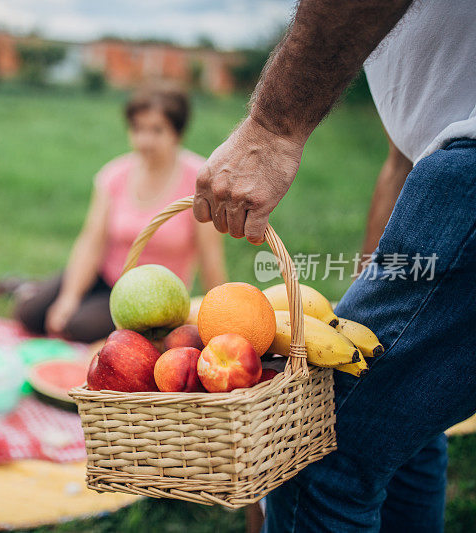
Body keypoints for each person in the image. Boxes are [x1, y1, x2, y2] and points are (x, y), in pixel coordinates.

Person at [190, 0, 475, 530]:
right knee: (399, 415)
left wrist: (272, 126)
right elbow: (404, 157)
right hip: (444, 164)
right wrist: (375, 304)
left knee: (317, 438)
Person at [0, 85, 226, 343]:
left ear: (177, 132)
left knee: (76, 327)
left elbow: (211, 257)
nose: (144, 140)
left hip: (154, 299)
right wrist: (69, 297)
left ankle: (44, 292)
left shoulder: (199, 180)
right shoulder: (114, 174)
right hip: (104, 276)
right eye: (137, 128)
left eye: (156, 130)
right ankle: (30, 289)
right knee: (30, 314)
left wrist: (222, 315)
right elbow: (91, 241)